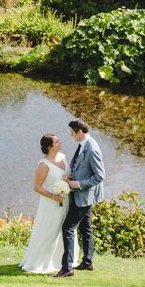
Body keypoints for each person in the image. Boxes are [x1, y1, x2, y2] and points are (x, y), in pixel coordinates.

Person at [57, 117, 104, 276]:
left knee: (68, 228)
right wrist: (70, 178)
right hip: (82, 195)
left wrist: (78, 184)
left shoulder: (92, 149)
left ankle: (67, 268)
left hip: (84, 195)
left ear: (80, 132)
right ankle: (87, 262)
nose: (70, 135)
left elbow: (99, 176)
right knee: (85, 228)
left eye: (72, 133)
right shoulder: (84, 144)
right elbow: (82, 168)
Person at [19, 134, 70, 275]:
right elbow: (37, 187)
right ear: (49, 147)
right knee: (50, 230)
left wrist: (68, 180)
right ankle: (40, 262)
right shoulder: (44, 164)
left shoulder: (63, 157)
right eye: (56, 141)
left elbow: (68, 176)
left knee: (64, 230)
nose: (60, 142)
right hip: (51, 203)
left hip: (65, 201)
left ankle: (63, 260)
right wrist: (54, 197)